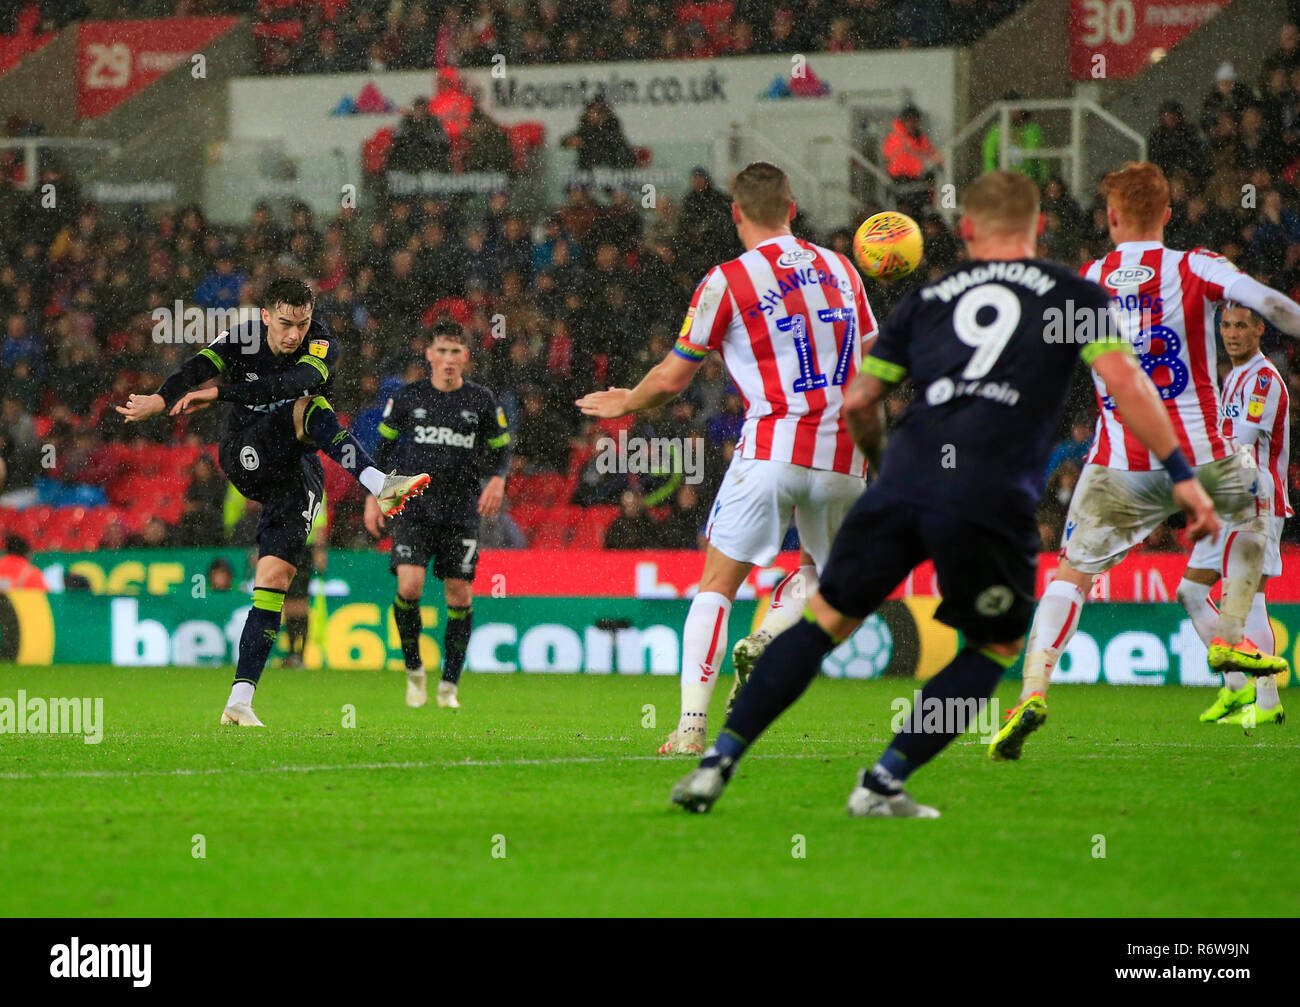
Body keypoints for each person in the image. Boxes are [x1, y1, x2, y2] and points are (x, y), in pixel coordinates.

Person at [670, 170, 1218, 817]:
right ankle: (882, 781)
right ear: (1039, 227)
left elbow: (862, 399)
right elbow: (1128, 386)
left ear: (964, 230)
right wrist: (1183, 473)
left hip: (905, 478)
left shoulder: (927, 302)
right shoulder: (1074, 296)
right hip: (988, 494)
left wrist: (884, 469)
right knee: (993, 644)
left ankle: (716, 761)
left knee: (823, 621)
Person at [995, 161, 1300, 761]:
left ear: (1111, 218)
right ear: (1167, 213)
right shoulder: (1194, 265)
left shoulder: (1089, 276)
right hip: (1202, 457)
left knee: (1071, 579)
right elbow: (1269, 303)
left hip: (1118, 463)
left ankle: (1032, 690)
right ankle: (1230, 632)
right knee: (1257, 506)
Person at [577, 161, 874, 755]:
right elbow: (872, 367)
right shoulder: (843, 269)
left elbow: (673, 377)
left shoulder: (729, 281)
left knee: (717, 584)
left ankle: (690, 729)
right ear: (792, 207)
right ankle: (769, 635)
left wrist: (627, 401)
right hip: (844, 453)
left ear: (737, 213)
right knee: (829, 582)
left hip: (770, 449)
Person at [117, 277, 431, 727]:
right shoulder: (243, 337)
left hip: (295, 471)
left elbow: (288, 383)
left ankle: (239, 701)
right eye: (284, 324)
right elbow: (196, 368)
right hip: (246, 453)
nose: (293, 335)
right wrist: (161, 398)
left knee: (275, 579)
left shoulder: (323, 345)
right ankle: (380, 484)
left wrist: (220, 393)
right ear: (265, 316)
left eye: (301, 324)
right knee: (311, 409)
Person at [365, 318, 512, 710]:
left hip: (461, 512)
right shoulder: (408, 397)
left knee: (459, 594)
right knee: (409, 587)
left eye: (455, 352)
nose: (448, 360)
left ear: (465, 356)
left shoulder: (482, 400)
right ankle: (414, 672)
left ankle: (449, 684)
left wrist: (497, 481)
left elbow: (502, 450)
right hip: (413, 507)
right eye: (441, 351)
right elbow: (381, 451)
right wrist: (372, 495)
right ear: (429, 355)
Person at [1179, 303, 1290, 726]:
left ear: (1260, 330)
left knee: (1250, 599)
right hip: (1228, 498)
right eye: (1225, 325)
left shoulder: (1262, 378)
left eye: (1241, 325)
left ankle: (1266, 703)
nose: (1232, 333)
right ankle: (1237, 688)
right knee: (1190, 593)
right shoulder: (1234, 377)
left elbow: (1241, 439)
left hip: (1255, 500)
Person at [982, 93, 1047, 185]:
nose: (1013, 111)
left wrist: (1043, 181)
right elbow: (989, 158)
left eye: (1014, 106)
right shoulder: (997, 130)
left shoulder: (1032, 130)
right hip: (1004, 182)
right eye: (1009, 108)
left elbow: (1038, 157)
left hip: (1028, 182)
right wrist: (992, 180)